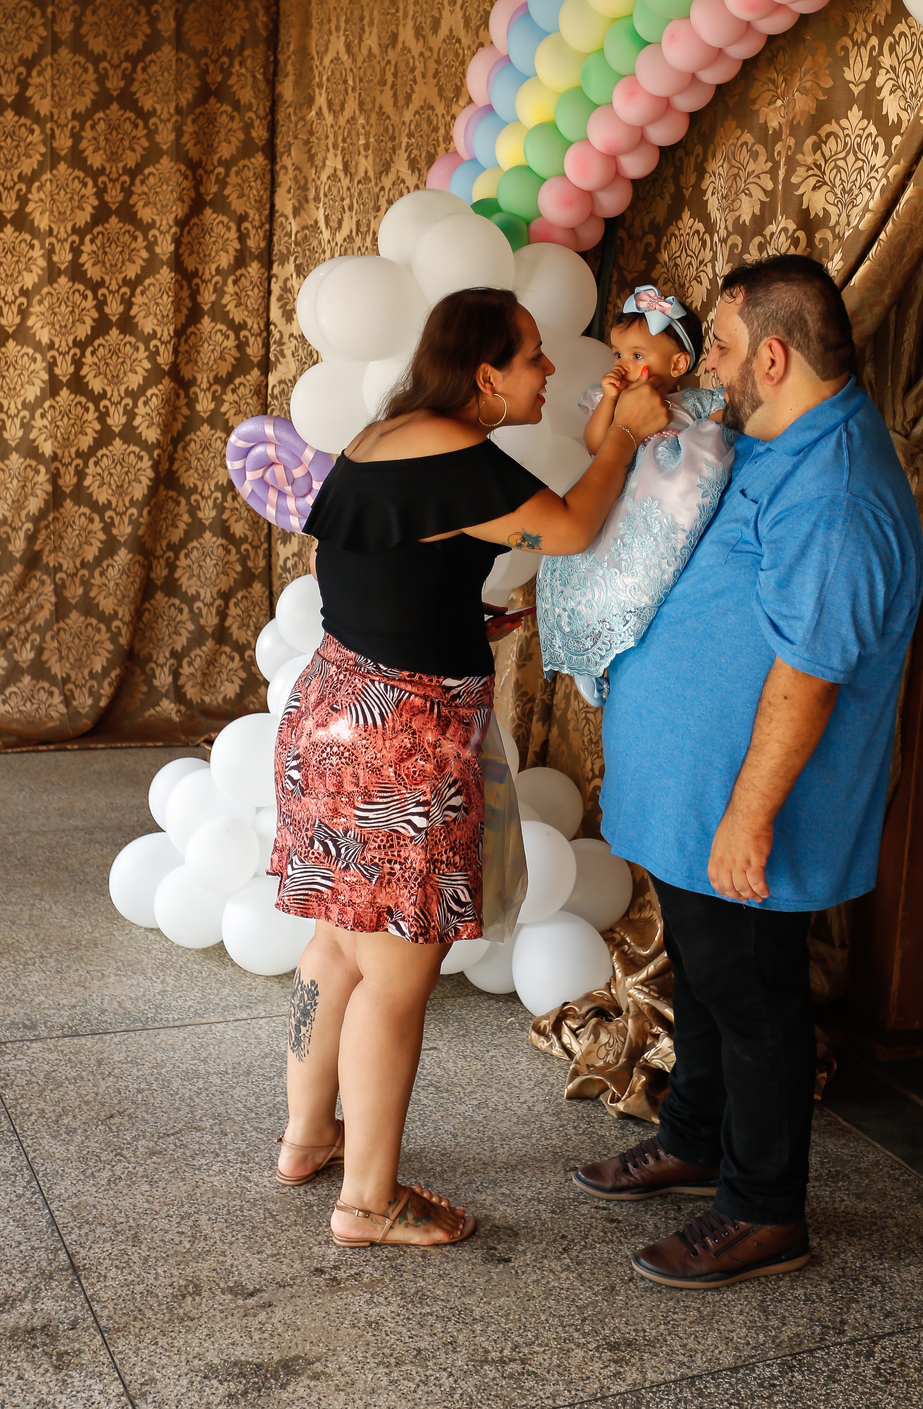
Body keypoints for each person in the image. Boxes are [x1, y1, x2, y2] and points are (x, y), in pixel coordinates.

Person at [268, 286, 668, 1252]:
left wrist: (455, 617)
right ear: (486, 374)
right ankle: (368, 1201)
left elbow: (376, 563)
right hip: (401, 742)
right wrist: (623, 437)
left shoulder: (382, 435)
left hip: (331, 713)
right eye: (532, 356)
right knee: (394, 977)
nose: (549, 369)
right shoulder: (459, 452)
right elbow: (571, 528)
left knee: (335, 948)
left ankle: (307, 1137)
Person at [574, 254, 923, 1289]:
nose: (708, 364)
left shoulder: (839, 491)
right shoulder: (773, 437)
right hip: (694, 793)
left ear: (773, 356)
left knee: (755, 996)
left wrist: (747, 818)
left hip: (744, 806)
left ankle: (765, 1209)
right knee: (707, 974)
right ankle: (695, 1136)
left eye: (721, 347)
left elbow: (810, 677)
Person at [537, 285, 733, 704]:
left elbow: (721, 422)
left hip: (653, 502)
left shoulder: (693, 402)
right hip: (615, 494)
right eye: (618, 354)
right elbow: (595, 444)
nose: (623, 365)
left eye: (637, 355)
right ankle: (588, 656)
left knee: (637, 571)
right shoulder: (614, 398)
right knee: (588, 566)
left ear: (678, 364)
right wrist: (610, 401)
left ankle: (616, 646)